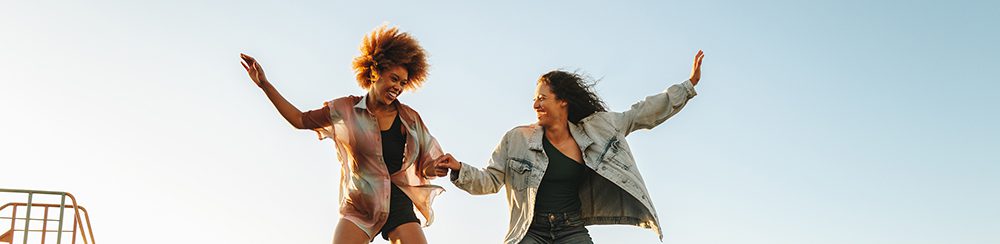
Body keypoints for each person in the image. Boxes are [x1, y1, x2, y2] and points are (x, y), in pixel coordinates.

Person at [434, 51, 706, 244]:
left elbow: (641, 113)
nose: (535, 104)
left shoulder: (597, 129)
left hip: (571, 229)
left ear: (562, 101)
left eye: (542, 98)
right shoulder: (516, 139)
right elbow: (491, 180)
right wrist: (459, 169)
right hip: (530, 230)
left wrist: (687, 86)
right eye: (534, 99)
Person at [240, 24, 449, 244]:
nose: (398, 87)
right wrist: (264, 84)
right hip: (360, 203)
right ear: (375, 71)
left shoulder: (409, 118)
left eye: (403, 83)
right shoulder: (345, 110)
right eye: (394, 78)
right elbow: (300, 120)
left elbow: (427, 163)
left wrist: (434, 167)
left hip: (396, 201)